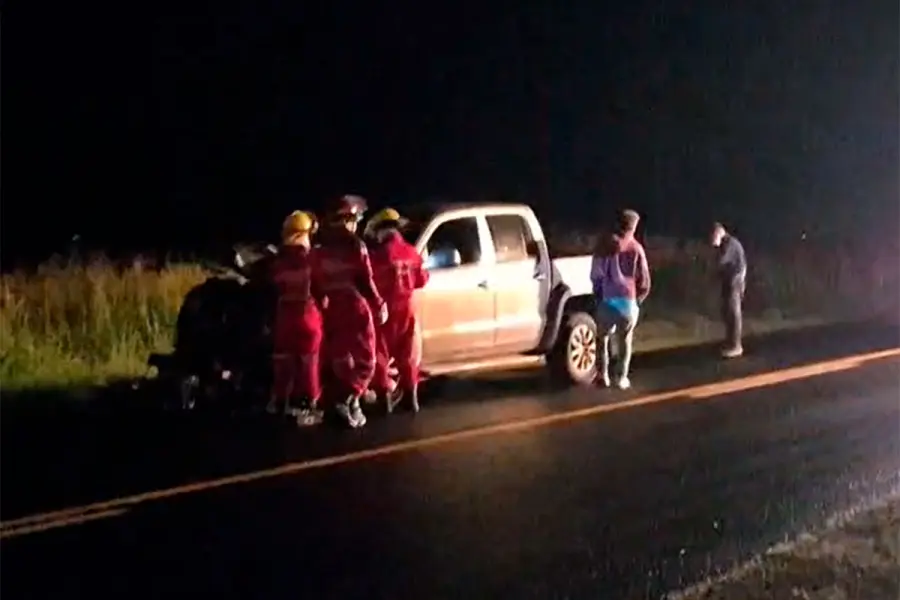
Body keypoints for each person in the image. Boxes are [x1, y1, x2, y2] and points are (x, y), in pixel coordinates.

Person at [310, 194, 388, 428]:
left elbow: (316, 285)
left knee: (341, 357)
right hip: (354, 308)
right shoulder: (356, 246)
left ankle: (347, 401)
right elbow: (366, 280)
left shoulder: (319, 251)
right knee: (366, 360)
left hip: (331, 309)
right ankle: (349, 397)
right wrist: (379, 303)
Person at [365, 208, 429, 413]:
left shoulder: (376, 256)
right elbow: (421, 280)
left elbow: (367, 281)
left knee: (381, 354)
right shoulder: (411, 252)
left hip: (384, 310)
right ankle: (411, 398)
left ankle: (385, 401)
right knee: (408, 353)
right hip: (407, 308)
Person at [266, 210, 325, 425]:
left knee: (284, 361)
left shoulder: (278, 263)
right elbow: (321, 288)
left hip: (284, 318)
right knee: (309, 363)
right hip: (307, 317)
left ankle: (279, 402)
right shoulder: (312, 260)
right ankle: (308, 405)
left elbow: (272, 286)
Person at [589, 209, 651, 390]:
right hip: (628, 302)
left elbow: (596, 274)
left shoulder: (605, 246)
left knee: (603, 338)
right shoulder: (636, 248)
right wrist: (638, 299)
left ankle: (603, 375)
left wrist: (599, 293)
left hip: (608, 299)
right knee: (625, 340)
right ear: (634, 227)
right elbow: (645, 280)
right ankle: (621, 378)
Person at [710, 222, 747, 358]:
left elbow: (720, 261)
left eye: (714, 235)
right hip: (730, 282)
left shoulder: (730, 244)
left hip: (735, 284)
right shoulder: (728, 243)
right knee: (727, 313)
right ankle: (730, 343)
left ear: (720, 232)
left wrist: (715, 245)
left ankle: (736, 345)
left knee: (733, 314)